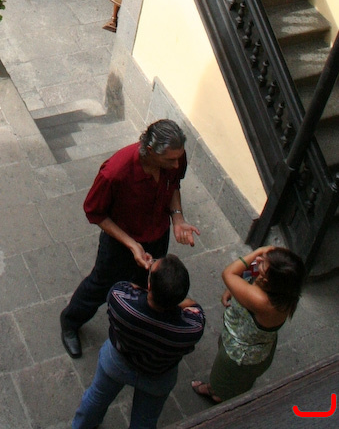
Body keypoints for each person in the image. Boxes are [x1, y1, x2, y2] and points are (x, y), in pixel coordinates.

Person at [60, 119, 199, 359]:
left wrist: (177, 218)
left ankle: (136, 323)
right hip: (121, 243)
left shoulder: (176, 159)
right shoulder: (115, 172)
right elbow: (95, 212)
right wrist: (132, 245)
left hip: (157, 235)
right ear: (150, 150)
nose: (177, 164)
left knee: (148, 285)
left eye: (178, 158)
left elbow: (174, 185)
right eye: (170, 160)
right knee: (100, 285)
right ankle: (70, 322)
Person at [72, 256, 205, 429]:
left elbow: (125, 286)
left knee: (96, 399)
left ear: (149, 285)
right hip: (158, 376)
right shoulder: (192, 329)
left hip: (117, 363)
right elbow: (195, 308)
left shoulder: (120, 300)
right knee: (145, 421)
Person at [191, 245, 305, 403]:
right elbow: (250, 276)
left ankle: (215, 393)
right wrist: (235, 289)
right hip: (257, 350)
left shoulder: (262, 302)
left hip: (239, 357)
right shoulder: (284, 291)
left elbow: (228, 273)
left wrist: (259, 250)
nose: (257, 260)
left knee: (223, 381)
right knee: (240, 381)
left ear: (267, 281)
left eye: (262, 264)